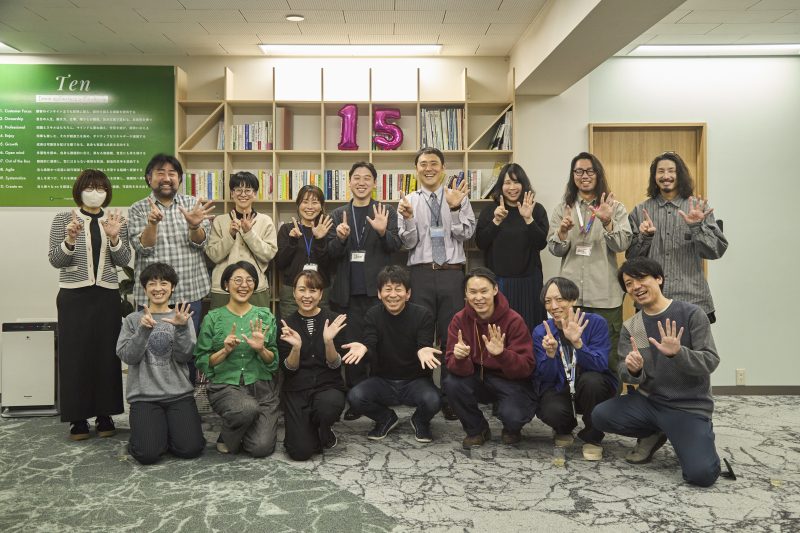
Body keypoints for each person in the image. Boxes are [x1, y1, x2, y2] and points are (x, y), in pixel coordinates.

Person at [592, 257, 721, 487]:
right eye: (629, 284)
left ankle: (689, 433)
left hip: (688, 407)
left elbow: (710, 361)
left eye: (641, 278)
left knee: (702, 475)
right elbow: (624, 370)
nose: (636, 287)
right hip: (649, 402)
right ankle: (655, 431)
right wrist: (633, 370)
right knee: (600, 415)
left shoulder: (692, 314)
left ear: (659, 278)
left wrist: (678, 353)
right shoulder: (633, 326)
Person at [48, 169, 130, 440]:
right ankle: (78, 418)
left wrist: (115, 237)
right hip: (74, 297)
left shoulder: (116, 220)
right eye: (90, 187)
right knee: (75, 356)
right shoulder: (63, 219)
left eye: (101, 188)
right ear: (79, 190)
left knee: (107, 355)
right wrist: (70, 239)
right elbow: (56, 260)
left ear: (107, 192)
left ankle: (105, 415)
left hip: (106, 296)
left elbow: (123, 260)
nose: (95, 193)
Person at [397, 147, 476, 420]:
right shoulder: (408, 201)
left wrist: (454, 208)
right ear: (416, 169)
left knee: (452, 335)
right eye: (423, 164)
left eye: (434, 163)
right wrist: (408, 218)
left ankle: (450, 396)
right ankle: (424, 394)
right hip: (420, 273)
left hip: (451, 273)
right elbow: (407, 243)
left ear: (443, 168)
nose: (428, 168)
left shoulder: (458, 197)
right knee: (421, 334)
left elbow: (466, 234)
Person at [128, 154, 215, 384]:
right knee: (153, 350)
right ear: (149, 178)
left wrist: (194, 226)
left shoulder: (192, 204)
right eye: (160, 173)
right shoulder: (138, 209)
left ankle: (187, 397)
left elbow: (201, 243)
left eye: (172, 174)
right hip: (153, 296)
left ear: (180, 179)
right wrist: (152, 224)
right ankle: (153, 395)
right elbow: (143, 248)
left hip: (189, 292)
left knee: (188, 351)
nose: (166, 178)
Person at [327, 162, 403, 419]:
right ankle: (356, 399)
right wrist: (340, 239)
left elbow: (396, 245)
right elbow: (329, 253)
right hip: (347, 294)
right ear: (349, 182)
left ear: (374, 183)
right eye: (356, 178)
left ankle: (378, 396)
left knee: (379, 346)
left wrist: (382, 232)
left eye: (367, 178)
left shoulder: (386, 210)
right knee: (351, 347)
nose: (361, 182)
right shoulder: (338, 214)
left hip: (379, 294)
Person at [547, 152, 632, 376]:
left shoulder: (615, 207)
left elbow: (622, 244)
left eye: (589, 171)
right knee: (570, 358)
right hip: (570, 298)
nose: (584, 176)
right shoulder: (563, 209)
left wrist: (608, 221)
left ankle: (610, 400)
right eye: (579, 171)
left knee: (608, 360)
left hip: (605, 297)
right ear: (573, 175)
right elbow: (555, 250)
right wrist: (562, 232)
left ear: (598, 174)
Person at [340, 266, 442, 443]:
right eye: (387, 289)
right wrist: (364, 348)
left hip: (415, 382)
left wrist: (424, 349)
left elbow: (423, 345)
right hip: (383, 381)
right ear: (379, 294)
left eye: (398, 289)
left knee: (435, 400)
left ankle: (420, 420)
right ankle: (385, 418)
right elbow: (370, 344)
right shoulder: (373, 315)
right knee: (355, 397)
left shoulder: (423, 315)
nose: (393, 295)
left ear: (408, 294)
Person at [116, 262, 205, 465]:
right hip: (144, 397)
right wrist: (143, 331)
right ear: (144, 288)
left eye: (164, 283)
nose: (158, 288)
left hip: (178, 395)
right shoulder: (132, 319)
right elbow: (128, 357)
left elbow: (185, 356)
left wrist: (181, 329)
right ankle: (154, 435)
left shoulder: (182, 318)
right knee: (147, 454)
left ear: (172, 287)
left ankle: (163, 433)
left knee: (191, 449)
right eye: (152, 284)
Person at [626, 152, 728, 323]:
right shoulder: (640, 211)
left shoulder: (698, 208)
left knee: (694, 343)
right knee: (650, 342)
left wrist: (696, 227)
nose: (666, 176)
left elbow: (716, 250)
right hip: (652, 299)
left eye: (671, 171)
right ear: (654, 177)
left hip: (693, 300)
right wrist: (645, 237)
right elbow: (631, 258)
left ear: (680, 174)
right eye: (661, 171)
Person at [195, 260, 280, 457]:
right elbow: (202, 360)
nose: (244, 285)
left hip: (262, 389)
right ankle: (235, 427)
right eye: (238, 280)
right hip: (226, 387)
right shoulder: (213, 318)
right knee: (246, 408)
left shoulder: (265, 316)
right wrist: (224, 351)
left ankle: (236, 431)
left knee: (261, 448)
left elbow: (273, 362)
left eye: (250, 280)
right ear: (226, 284)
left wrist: (261, 349)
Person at [444, 267, 536, 448]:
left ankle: (511, 429)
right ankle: (477, 429)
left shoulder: (513, 320)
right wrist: (460, 358)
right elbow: (451, 364)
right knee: (452, 383)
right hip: (476, 376)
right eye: (473, 292)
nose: (478, 297)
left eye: (484, 291)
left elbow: (527, 367)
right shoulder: (459, 320)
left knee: (514, 416)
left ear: (495, 289)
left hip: (508, 379)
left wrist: (502, 355)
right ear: (466, 294)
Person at [532, 277, 617, 461]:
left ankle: (593, 436)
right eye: (548, 301)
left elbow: (600, 364)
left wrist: (578, 343)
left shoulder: (595, 323)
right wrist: (550, 355)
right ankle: (563, 428)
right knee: (550, 409)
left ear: (573, 299)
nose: (554, 306)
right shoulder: (542, 331)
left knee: (593, 381)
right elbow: (545, 377)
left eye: (560, 299)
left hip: (590, 388)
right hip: (560, 387)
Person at [277, 271, 348, 460]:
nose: (307, 296)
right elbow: (288, 369)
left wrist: (328, 342)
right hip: (296, 389)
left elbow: (335, 365)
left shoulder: (334, 320)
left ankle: (323, 427)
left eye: (313, 290)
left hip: (327, 386)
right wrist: (296, 349)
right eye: (302, 290)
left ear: (321, 294)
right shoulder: (285, 324)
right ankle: (310, 432)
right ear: (294, 292)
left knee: (328, 406)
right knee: (300, 452)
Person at [476, 163, 548, 333]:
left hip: (529, 282)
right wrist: (496, 221)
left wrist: (529, 219)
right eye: (507, 183)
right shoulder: (490, 210)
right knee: (501, 331)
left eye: (516, 182)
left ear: (524, 185)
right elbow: (480, 243)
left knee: (530, 329)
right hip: (499, 282)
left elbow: (541, 244)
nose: (512, 187)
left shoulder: (536, 209)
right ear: (500, 186)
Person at [206, 171, 277, 309]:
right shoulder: (220, 221)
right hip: (223, 287)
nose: (243, 194)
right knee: (221, 322)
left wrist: (249, 233)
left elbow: (269, 254)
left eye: (248, 190)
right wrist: (230, 235)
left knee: (258, 322)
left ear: (254, 194)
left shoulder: (265, 221)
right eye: (238, 190)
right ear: (232, 193)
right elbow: (213, 255)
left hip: (255, 286)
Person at [275, 184, 333, 319]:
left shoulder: (327, 229)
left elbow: (330, 265)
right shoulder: (287, 229)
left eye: (315, 202)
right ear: (298, 205)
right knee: (290, 329)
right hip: (292, 292)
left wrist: (320, 240)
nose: (310, 207)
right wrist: (292, 241)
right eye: (305, 202)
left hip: (320, 291)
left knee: (320, 329)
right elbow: (280, 263)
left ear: (321, 206)